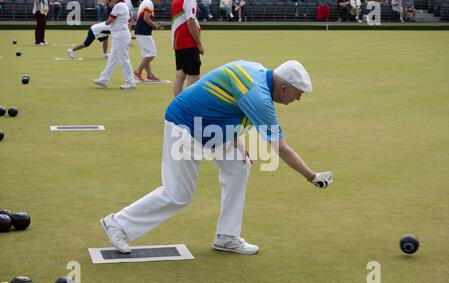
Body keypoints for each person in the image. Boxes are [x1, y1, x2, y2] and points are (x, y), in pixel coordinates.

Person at [100, 60, 333, 255]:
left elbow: (223, 102)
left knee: (239, 165)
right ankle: (118, 223)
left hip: (212, 128)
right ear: (284, 87)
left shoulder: (257, 72)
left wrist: (237, 141)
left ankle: (227, 236)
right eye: (298, 93)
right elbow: (280, 149)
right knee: (179, 194)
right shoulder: (259, 96)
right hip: (185, 127)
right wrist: (312, 177)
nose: (298, 99)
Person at [92, 0, 136, 89]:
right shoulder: (122, 5)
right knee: (112, 59)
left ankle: (130, 82)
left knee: (124, 59)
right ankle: (104, 79)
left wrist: (103, 24)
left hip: (121, 36)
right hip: (118, 35)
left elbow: (109, 21)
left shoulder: (119, 6)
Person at [171, 0, 204, 96]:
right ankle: (189, 106)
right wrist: (199, 43)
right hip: (188, 41)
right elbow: (191, 22)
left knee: (180, 74)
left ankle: (178, 104)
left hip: (178, 41)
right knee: (194, 74)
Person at [133, 0, 164, 82]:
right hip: (143, 32)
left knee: (146, 54)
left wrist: (155, 24)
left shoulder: (146, 2)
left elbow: (145, 18)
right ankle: (137, 71)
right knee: (151, 53)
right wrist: (156, 26)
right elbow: (146, 18)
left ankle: (150, 75)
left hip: (141, 31)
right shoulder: (149, 3)